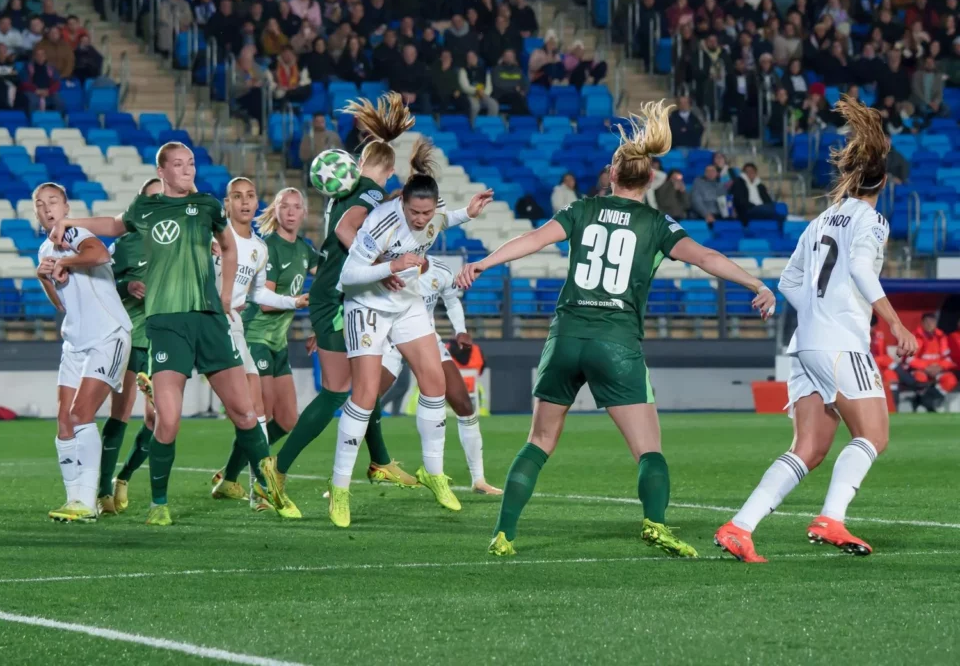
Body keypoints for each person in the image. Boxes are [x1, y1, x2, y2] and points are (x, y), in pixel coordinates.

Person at [455, 101, 776, 558]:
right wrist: (755, 282)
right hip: (616, 342)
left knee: (539, 442)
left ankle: (504, 533)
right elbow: (706, 257)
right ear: (649, 181)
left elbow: (530, 240)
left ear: (612, 174)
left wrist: (484, 262)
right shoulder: (657, 223)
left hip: (565, 336)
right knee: (649, 449)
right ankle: (656, 524)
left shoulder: (582, 209)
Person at [715, 96, 918, 563]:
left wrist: (816, 315)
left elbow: (788, 280)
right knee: (874, 436)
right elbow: (864, 272)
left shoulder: (821, 220)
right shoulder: (871, 220)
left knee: (808, 448)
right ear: (882, 181)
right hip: (842, 347)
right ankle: (830, 518)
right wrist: (894, 322)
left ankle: (739, 526)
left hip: (806, 346)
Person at [47, 142, 284, 526]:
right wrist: (73, 224)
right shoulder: (146, 210)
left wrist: (225, 295)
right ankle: (153, 501)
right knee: (163, 418)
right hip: (165, 322)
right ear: (163, 171)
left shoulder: (207, 205)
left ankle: (270, 489)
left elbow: (228, 248)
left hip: (208, 318)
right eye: (178, 164)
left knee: (244, 409)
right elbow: (113, 224)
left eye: (191, 162)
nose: (188, 169)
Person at [330, 136, 493, 528]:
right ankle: (339, 489)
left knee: (434, 381)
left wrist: (467, 214)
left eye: (426, 213)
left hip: (405, 305)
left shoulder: (434, 215)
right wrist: (391, 266)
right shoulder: (380, 221)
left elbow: (443, 218)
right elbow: (348, 276)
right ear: (402, 203)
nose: (421, 220)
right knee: (365, 396)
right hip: (366, 306)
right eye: (414, 212)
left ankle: (435, 474)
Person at [273, 95, 424, 510]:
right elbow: (345, 228)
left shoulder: (359, 187)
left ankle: (377, 461)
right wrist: (382, 262)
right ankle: (277, 467)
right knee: (341, 390)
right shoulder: (369, 195)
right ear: (387, 170)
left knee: (365, 384)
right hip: (340, 298)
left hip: (339, 296)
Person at [208, 178, 310, 514]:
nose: (245, 202)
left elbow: (256, 294)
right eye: (237, 197)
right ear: (227, 203)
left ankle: (253, 490)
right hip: (210, 322)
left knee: (255, 413)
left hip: (234, 324)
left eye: (250, 196)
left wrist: (293, 302)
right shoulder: (213, 235)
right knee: (252, 412)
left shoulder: (258, 248)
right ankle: (258, 490)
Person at [35, 183, 133, 522]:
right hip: (76, 339)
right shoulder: (45, 248)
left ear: (65, 207)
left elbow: (100, 255)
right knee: (64, 421)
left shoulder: (74, 232)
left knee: (80, 415)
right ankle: (74, 500)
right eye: (39, 204)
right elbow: (63, 304)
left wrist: (67, 262)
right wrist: (46, 278)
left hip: (108, 334)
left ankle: (88, 501)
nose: (46, 208)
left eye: (52, 201)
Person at [379, 257, 501, 495]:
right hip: (391, 340)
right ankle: (340, 479)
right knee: (366, 403)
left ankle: (479, 480)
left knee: (464, 403)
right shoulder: (389, 266)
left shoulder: (441, 269)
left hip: (426, 340)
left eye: (427, 217)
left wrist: (461, 331)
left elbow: (452, 300)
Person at [97, 178, 163, 515]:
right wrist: (127, 284)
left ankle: (125, 476)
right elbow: (102, 286)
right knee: (121, 412)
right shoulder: (124, 245)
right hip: (134, 338)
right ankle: (102, 488)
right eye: (151, 199)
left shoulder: (180, 241)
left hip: (166, 339)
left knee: (160, 420)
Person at [897, 312, 957, 411]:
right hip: (920, 370)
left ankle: (926, 400)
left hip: (938, 370)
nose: (930, 325)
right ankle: (926, 402)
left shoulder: (941, 336)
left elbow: (948, 358)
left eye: (932, 322)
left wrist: (940, 367)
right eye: (927, 322)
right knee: (920, 378)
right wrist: (926, 367)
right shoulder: (914, 336)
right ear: (922, 323)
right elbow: (909, 359)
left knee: (950, 379)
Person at [459, 50, 499, 122]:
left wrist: (484, 94)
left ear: (477, 58)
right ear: (467, 59)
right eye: (469, 57)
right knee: (475, 106)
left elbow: (489, 86)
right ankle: (473, 125)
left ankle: (488, 124)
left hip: (483, 95)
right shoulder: (463, 70)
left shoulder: (484, 71)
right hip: (470, 95)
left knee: (494, 105)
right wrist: (476, 91)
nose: (471, 59)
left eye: (473, 57)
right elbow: (464, 86)